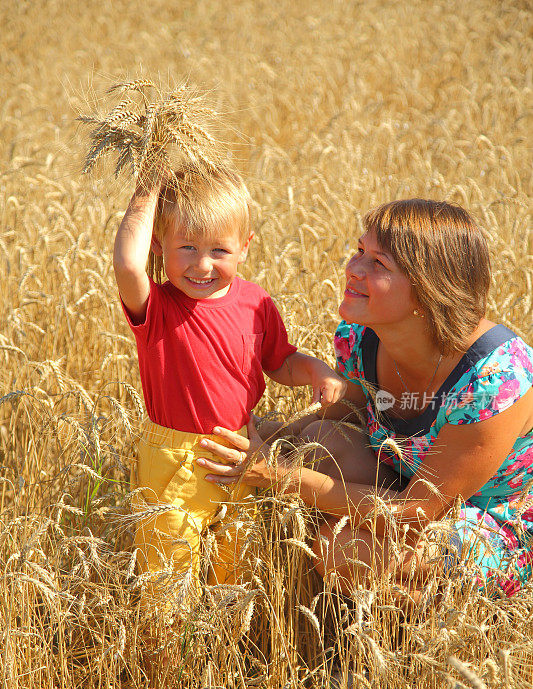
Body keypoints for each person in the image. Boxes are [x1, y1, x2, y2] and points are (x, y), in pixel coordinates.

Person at [196, 199, 533, 600]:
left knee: (341, 549)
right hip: (406, 490)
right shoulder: (363, 341)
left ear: (429, 290)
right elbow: (333, 417)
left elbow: (418, 513)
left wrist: (276, 474)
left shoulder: (495, 379)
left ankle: (414, 647)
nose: (353, 269)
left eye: (379, 263)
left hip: (492, 530)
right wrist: (232, 436)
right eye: (360, 251)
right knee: (321, 440)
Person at [113, 163, 346, 609]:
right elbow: (127, 263)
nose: (202, 265)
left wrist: (316, 369)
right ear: (158, 247)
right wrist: (149, 186)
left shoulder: (255, 302)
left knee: (233, 577)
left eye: (219, 249)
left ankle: (218, 663)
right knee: (167, 583)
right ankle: (164, 668)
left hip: (243, 451)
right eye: (186, 247)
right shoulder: (158, 306)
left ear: (245, 247)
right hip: (174, 460)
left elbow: (280, 362)